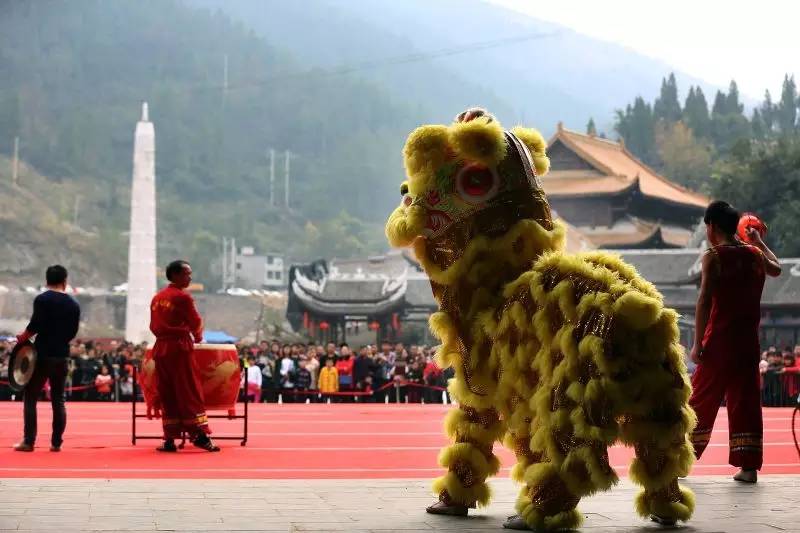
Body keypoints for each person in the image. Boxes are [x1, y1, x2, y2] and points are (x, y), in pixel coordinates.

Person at [689, 201, 781, 483]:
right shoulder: (754, 254)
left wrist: (696, 344)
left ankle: (679, 460)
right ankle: (748, 467)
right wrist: (759, 242)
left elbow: (704, 300)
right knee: (746, 402)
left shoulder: (714, 256)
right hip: (747, 344)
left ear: (711, 227)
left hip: (719, 342)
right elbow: (776, 269)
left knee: (700, 401)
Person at [149, 260, 219, 452]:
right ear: (176, 275)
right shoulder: (183, 298)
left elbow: (153, 325)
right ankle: (199, 435)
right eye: (187, 274)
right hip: (179, 348)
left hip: (161, 349)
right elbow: (195, 321)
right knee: (189, 391)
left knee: (168, 393)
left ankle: (170, 438)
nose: (190, 277)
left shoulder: (157, 297)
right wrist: (198, 337)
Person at [14, 265, 80, 452]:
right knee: (58, 399)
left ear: (47, 280)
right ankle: (56, 443)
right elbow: (72, 332)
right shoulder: (73, 304)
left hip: (42, 355)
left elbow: (35, 325)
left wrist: (22, 337)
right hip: (62, 356)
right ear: (64, 281)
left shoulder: (42, 300)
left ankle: (28, 441)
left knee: (31, 396)